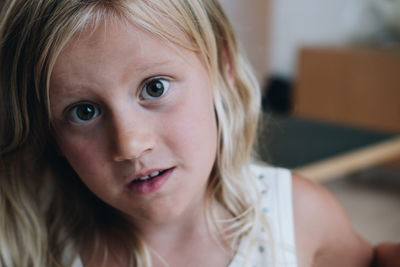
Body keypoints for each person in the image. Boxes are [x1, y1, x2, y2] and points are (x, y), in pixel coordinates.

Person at [0, 0, 372, 266]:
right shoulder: (40, 249)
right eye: (84, 112)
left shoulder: (298, 215)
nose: (130, 145)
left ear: (221, 67)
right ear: (52, 135)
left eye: (155, 88)